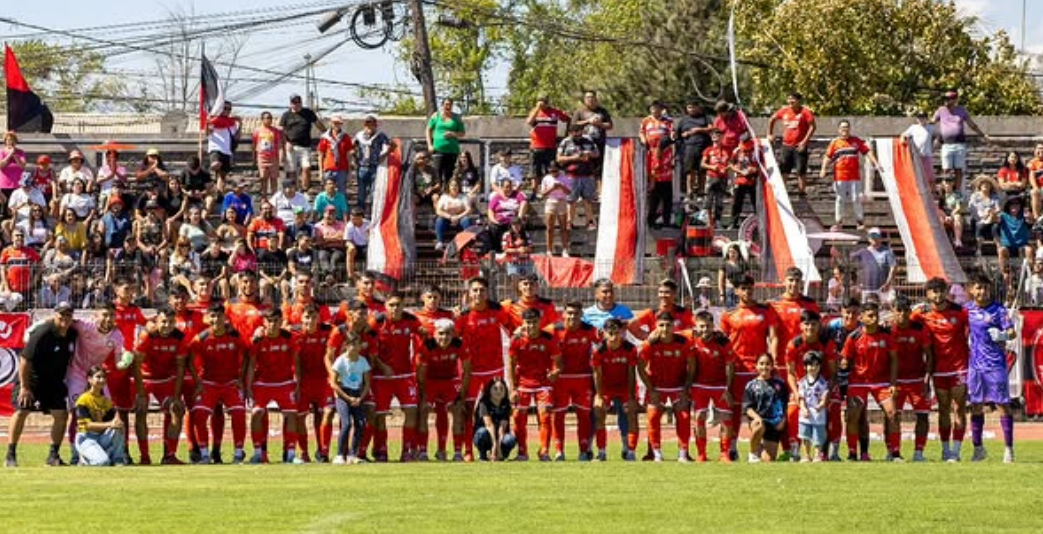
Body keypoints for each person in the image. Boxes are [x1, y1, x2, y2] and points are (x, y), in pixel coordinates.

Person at [5, 302, 78, 467]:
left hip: (54, 382)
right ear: (55, 315)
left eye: (68, 315)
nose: (65, 318)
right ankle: (10, 454)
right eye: (61, 314)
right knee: (21, 411)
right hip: (32, 380)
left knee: (61, 415)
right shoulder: (43, 333)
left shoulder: (72, 333)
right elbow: (24, 360)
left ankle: (53, 455)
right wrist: (24, 387)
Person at [721, 273, 779, 460]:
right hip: (738, 369)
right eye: (743, 288)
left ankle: (755, 450)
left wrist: (773, 361)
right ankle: (732, 447)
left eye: (750, 287)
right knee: (736, 410)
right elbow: (723, 343)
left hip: (759, 369)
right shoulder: (728, 314)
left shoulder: (765, 311)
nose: (747, 291)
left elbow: (773, 336)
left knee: (759, 410)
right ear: (737, 291)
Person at [911, 277, 970, 462]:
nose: (938, 295)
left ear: (947, 292)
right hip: (938, 369)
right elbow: (904, 322)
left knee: (959, 408)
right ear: (928, 294)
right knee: (943, 409)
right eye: (934, 291)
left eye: (941, 290)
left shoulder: (960, 312)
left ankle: (957, 450)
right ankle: (945, 450)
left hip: (959, 367)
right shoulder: (921, 313)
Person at [454, 276, 511, 461]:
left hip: (494, 370)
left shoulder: (497, 310)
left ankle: (499, 448)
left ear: (487, 293)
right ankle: (468, 451)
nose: (478, 293)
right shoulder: (462, 315)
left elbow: (511, 329)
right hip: (471, 370)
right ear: (469, 293)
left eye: (482, 290)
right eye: (475, 290)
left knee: (498, 410)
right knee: (468, 411)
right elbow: (452, 340)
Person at [962, 274, 1016, 463]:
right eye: (978, 287)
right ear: (971, 290)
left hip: (995, 366)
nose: (982, 291)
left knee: (1002, 405)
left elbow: (1012, 332)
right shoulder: (966, 310)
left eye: (985, 288)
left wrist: (1002, 335)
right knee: (976, 406)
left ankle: (1008, 449)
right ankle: (978, 449)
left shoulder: (999, 310)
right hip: (975, 366)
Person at [188, 302, 250, 464]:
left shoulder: (235, 336)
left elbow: (247, 355)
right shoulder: (201, 338)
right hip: (208, 383)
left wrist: (240, 378)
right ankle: (204, 454)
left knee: (239, 414)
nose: (216, 319)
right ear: (208, 318)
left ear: (225, 318)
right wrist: (198, 382)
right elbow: (189, 359)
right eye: (213, 316)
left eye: (219, 316)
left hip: (231, 384)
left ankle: (238, 454)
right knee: (199, 415)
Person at [841, 302, 898, 461]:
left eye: (876, 315)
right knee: (853, 416)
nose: (875, 319)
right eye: (870, 316)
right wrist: (844, 363)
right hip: (858, 382)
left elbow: (894, 360)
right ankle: (853, 453)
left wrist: (893, 383)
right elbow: (845, 358)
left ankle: (894, 453)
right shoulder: (853, 337)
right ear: (862, 317)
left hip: (881, 382)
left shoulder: (887, 335)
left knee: (892, 413)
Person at [371, 292, 424, 461]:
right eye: (391, 305)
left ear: (403, 306)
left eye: (398, 305)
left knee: (411, 410)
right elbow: (369, 351)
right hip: (381, 376)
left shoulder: (410, 320)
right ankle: (381, 450)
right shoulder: (376, 322)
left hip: (405, 374)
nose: (395, 308)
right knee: (380, 414)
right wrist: (382, 366)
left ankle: (407, 450)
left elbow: (423, 333)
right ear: (385, 306)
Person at [134, 306, 189, 464]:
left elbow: (180, 368)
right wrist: (142, 394)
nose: (167, 325)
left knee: (176, 410)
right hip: (145, 379)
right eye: (164, 321)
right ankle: (144, 456)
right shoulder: (147, 336)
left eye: (171, 322)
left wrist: (177, 396)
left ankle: (169, 455)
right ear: (156, 321)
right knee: (140, 410)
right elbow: (136, 364)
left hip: (166, 381)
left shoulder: (179, 337)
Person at [246, 308, 301, 464]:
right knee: (256, 414)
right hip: (262, 382)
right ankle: (257, 453)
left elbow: (296, 363)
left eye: (276, 321)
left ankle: (290, 454)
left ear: (281, 321)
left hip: (285, 382)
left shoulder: (289, 338)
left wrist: (297, 382)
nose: (273, 324)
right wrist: (249, 387)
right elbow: (251, 365)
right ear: (264, 322)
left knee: (291, 415)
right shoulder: (257, 340)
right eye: (269, 321)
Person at [507, 308, 561, 461]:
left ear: (540, 322)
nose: (531, 326)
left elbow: (559, 363)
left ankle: (543, 451)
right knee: (518, 417)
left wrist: (555, 372)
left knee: (545, 416)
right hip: (523, 383)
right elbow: (511, 364)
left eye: (534, 322)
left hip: (543, 383)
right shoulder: (516, 340)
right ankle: (522, 452)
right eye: (528, 322)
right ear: (523, 323)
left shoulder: (548, 339)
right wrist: (513, 388)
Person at [783, 310, 838, 461]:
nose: (810, 328)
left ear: (819, 325)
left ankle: (832, 451)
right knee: (792, 411)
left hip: (823, 385)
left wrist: (827, 393)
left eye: (814, 324)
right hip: (803, 387)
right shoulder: (793, 345)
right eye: (806, 324)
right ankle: (795, 449)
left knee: (835, 408)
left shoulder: (827, 343)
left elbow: (834, 373)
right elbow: (790, 373)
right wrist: (796, 393)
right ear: (801, 325)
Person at [639, 312, 693, 462]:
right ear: (656, 326)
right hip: (657, 387)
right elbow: (640, 367)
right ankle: (656, 454)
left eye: (668, 325)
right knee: (652, 417)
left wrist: (686, 388)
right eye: (661, 325)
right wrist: (651, 389)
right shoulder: (649, 344)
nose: (665, 329)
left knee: (684, 417)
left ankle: (683, 454)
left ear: (674, 326)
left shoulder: (684, 342)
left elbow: (692, 366)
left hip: (678, 387)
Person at [416, 319, 472, 462]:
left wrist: (462, 395)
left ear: (453, 334)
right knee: (424, 410)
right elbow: (421, 374)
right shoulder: (427, 346)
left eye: (448, 333)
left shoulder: (459, 344)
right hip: (430, 381)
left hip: (450, 381)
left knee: (458, 410)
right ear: (434, 334)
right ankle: (422, 451)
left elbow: (467, 370)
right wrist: (423, 396)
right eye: (440, 333)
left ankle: (457, 452)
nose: (444, 337)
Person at [549, 301, 598, 461]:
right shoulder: (554, 329)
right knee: (559, 415)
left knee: (583, 415)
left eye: (576, 314)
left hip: (583, 378)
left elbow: (605, 339)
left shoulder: (589, 330)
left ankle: (584, 450)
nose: (572, 317)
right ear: (563, 314)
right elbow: (534, 334)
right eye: (569, 313)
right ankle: (559, 451)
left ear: (581, 315)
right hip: (560, 379)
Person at [888, 295, 932, 462]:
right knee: (893, 416)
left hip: (917, 380)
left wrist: (927, 378)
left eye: (906, 310)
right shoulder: (888, 330)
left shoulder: (920, 329)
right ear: (893, 311)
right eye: (898, 310)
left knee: (922, 415)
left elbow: (929, 355)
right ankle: (894, 452)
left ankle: (919, 452)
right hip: (896, 381)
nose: (902, 314)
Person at [291, 304, 335, 463]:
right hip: (304, 382)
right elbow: (295, 361)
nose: (310, 320)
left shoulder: (328, 331)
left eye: (314, 317)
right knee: (300, 417)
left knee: (326, 414)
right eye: (307, 317)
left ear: (319, 318)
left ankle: (323, 451)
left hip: (324, 381)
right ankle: (303, 452)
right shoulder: (294, 334)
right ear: (301, 318)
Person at [688, 311, 734, 462]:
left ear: (713, 326)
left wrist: (728, 388)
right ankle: (701, 453)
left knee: (726, 417)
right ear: (696, 326)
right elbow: (671, 333)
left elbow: (730, 365)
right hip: (699, 384)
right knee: (699, 417)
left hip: (719, 385)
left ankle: (724, 453)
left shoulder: (722, 341)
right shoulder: (690, 337)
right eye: (701, 326)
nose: (704, 330)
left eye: (708, 326)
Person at [592, 318, 638, 461]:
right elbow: (597, 374)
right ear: (604, 333)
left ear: (622, 333)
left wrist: (631, 397)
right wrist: (599, 396)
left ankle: (629, 450)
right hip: (606, 388)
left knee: (631, 414)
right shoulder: (599, 351)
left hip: (624, 387)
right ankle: (601, 451)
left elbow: (631, 373)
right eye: (610, 333)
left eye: (617, 333)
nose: (613, 336)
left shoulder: (630, 348)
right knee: (599, 412)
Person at [821, 120, 881, 231]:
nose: (845, 130)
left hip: (854, 176)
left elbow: (867, 151)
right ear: (839, 130)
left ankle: (859, 221)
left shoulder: (856, 141)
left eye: (847, 127)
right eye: (842, 127)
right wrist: (823, 169)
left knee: (856, 198)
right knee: (840, 199)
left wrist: (876, 163)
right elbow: (827, 157)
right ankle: (838, 222)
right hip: (840, 176)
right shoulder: (835, 143)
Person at [933, 90, 990, 192]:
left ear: (955, 100)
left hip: (959, 144)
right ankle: (947, 191)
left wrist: (982, 134)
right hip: (946, 144)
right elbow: (932, 122)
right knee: (946, 169)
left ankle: (958, 191)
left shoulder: (961, 110)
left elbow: (971, 124)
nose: (946, 102)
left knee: (958, 169)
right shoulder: (941, 110)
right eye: (945, 99)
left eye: (949, 99)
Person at [330, 331, 371, 464]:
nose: (354, 347)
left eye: (357, 344)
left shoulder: (363, 361)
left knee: (361, 423)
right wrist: (347, 398)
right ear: (346, 345)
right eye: (351, 344)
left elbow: (367, 383)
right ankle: (340, 454)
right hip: (343, 395)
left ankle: (353, 454)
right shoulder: (340, 360)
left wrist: (360, 398)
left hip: (357, 395)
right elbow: (334, 383)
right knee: (346, 424)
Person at [72, 365, 127, 466]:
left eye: (104, 377)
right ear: (89, 380)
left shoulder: (106, 400)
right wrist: (110, 424)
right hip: (86, 438)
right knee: (102, 462)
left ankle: (118, 458)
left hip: (101, 437)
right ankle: (84, 459)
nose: (102, 380)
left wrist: (117, 421)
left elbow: (114, 420)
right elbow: (87, 425)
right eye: (98, 377)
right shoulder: (83, 399)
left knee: (119, 427)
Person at [767, 92, 817, 195]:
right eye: (789, 99)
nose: (790, 102)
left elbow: (812, 126)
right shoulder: (784, 111)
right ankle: (781, 192)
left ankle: (801, 192)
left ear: (799, 101)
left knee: (801, 170)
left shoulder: (805, 112)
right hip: (786, 145)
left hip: (799, 146)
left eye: (793, 100)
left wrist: (804, 142)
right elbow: (772, 119)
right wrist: (770, 134)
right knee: (784, 169)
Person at [743, 353, 788, 463]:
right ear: (756, 366)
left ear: (772, 366)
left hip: (774, 422)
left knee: (769, 460)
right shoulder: (751, 385)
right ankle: (752, 454)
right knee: (759, 425)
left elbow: (784, 404)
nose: (764, 367)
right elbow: (748, 408)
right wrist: (757, 418)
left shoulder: (780, 384)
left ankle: (759, 447)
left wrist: (783, 419)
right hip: (758, 420)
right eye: (761, 364)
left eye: (767, 364)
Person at [557, 123, 599, 231]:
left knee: (588, 199)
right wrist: (574, 158)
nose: (579, 135)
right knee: (571, 200)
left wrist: (589, 154)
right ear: (571, 133)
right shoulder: (565, 142)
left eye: (580, 133)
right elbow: (559, 159)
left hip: (587, 174)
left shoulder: (588, 140)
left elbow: (597, 154)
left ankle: (590, 221)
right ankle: (569, 222)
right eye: (576, 133)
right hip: (571, 175)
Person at [641, 100, 675, 228]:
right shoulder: (646, 121)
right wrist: (644, 141)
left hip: (665, 156)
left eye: (658, 108)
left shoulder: (667, 121)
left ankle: (666, 220)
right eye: (653, 108)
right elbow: (641, 133)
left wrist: (668, 142)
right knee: (653, 192)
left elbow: (672, 135)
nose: (655, 110)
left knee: (667, 194)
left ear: (662, 109)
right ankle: (651, 220)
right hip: (651, 156)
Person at [280, 94, 325, 190]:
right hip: (291, 146)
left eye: (297, 102)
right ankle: (293, 190)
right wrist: (286, 142)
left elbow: (317, 123)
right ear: (290, 103)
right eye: (293, 103)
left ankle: (305, 189)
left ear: (301, 103)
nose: (296, 105)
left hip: (305, 146)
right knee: (292, 170)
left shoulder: (308, 113)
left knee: (307, 167)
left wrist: (326, 133)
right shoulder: (286, 115)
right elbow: (281, 131)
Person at [628, 278, 694, 341]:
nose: (663, 295)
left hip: (678, 350)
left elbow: (696, 329)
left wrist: (677, 336)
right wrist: (648, 337)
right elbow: (631, 326)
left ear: (674, 294)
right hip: (657, 350)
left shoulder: (684, 312)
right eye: (661, 292)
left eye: (667, 292)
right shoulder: (651, 312)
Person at [571, 90, 613, 180]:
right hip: (583, 143)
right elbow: (574, 124)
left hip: (599, 142)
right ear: (584, 99)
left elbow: (610, 125)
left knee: (599, 168)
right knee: (584, 167)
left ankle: (599, 191)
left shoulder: (602, 111)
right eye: (588, 97)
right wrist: (588, 121)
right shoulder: (580, 111)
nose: (590, 99)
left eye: (592, 97)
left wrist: (600, 124)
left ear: (596, 99)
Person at [353, 115, 393, 212]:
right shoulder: (359, 136)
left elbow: (388, 147)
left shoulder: (381, 136)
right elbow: (352, 147)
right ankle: (360, 213)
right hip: (362, 166)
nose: (370, 127)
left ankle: (372, 213)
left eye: (372, 124)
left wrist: (385, 154)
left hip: (375, 167)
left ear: (375, 125)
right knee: (361, 193)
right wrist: (355, 159)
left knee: (374, 193)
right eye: (368, 124)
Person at [675, 100, 713, 198]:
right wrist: (683, 134)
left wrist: (698, 130)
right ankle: (690, 191)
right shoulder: (683, 120)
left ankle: (701, 191)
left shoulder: (705, 117)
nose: (691, 109)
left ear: (698, 107)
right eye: (689, 107)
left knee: (702, 170)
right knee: (690, 170)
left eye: (693, 107)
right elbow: (677, 135)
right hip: (689, 147)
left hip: (704, 146)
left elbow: (711, 128)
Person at [849, 228, 897, 305]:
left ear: (880, 238)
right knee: (866, 310)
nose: (874, 239)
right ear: (868, 238)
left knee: (885, 310)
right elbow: (847, 258)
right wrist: (837, 250)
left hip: (882, 287)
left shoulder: (887, 251)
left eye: (876, 237)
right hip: (866, 288)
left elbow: (893, 267)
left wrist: (888, 283)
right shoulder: (863, 251)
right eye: (872, 237)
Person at [796, 351, 829, 462]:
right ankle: (806, 455)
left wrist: (821, 405)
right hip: (805, 414)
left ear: (820, 366)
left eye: (816, 365)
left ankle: (817, 455)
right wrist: (803, 408)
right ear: (805, 366)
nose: (813, 368)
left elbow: (824, 396)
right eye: (810, 365)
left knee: (818, 436)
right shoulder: (802, 382)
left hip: (818, 414)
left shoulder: (823, 382)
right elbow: (801, 398)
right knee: (805, 435)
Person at [473, 377, 515, 461]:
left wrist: (498, 447)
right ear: (489, 390)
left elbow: (502, 428)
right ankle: (483, 455)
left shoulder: (506, 404)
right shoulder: (484, 403)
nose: (498, 391)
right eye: (495, 389)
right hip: (487, 435)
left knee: (510, 439)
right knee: (482, 433)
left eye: (501, 388)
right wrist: (494, 445)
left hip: (499, 436)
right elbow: (489, 425)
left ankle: (502, 455)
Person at [426, 98, 466, 185]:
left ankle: (447, 193)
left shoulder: (456, 117)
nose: (448, 106)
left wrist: (453, 134)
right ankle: (437, 195)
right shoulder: (436, 116)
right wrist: (429, 144)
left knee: (449, 175)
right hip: (438, 149)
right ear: (442, 105)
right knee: (437, 174)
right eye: (446, 104)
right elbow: (428, 129)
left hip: (452, 150)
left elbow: (462, 133)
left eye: (450, 105)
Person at [1, 228, 41, 309]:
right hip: (11, 288)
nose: (20, 237)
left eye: (22, 236)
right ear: (12, 238)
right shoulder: (6, 251)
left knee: (24, 313)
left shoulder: (30, 251)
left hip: (26, 289)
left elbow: (40, 264)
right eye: (17, 235)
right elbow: (2, 270)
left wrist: (34, 280)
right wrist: (6, 287)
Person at [207, 101, 241, 191]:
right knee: (216, 164)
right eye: (225, 108)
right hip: (216, 148)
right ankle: (207, 171)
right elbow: (208, 132)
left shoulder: (230, 123)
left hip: (227, 150)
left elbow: (237, 137)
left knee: (222, 177)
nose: (227, 111)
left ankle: (219, 194)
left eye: (229, 109)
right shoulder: (214, 120)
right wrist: (208, 124)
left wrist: (240, 124)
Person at [539, 161, 571, 257]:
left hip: (561, 201)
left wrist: (561, 186)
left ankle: (565, 249)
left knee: (563, 227)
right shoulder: (546, 179)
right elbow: (543, 194)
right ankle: (549, 249)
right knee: (549, 227)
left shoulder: (564, 177)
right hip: (551, 201)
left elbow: (569, 192)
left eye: (555, 171)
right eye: (552, 171)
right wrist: (552, 188)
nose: (554, 173)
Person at [487, 178, 528, 252]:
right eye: (506, 187)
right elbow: (490, 210)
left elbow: (524, 203)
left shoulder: (517, 194)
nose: (509, 189)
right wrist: (494, 220)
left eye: (510, 186)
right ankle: (498, 251)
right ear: (502, 188)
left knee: (518, 226)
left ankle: (516, 248)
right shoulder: (496, 197)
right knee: (493, 227)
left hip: (513, 221)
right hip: (500, 222)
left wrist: (519, 217)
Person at [316, 114, 354, 195]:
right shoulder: (325, 137)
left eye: (339, 123)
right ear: (331, 124)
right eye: (335, 123)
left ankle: (341, 207)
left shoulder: (346, 137)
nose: (336, 125)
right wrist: (320, 171)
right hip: (328, 168)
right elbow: (321, 155)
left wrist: (350, 171)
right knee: (327, 191)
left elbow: (349, 155)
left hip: (342, 168)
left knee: (342, 191)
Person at [701, 129, 731, 228]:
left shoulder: (727, 150)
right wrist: (712, 167)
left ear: (722, 137)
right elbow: (703, 164)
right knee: (708, 200)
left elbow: (731, 163)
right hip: (711, 176)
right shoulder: (708, 150)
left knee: (719, 201)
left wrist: (726, 169)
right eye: (713, 135)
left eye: (718, 135)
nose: (716, 137)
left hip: (723, 178)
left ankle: (717, 221)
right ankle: (706, 221)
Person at [728, 136, 758, 230]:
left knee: (755, 202)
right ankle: (733, 223)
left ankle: (758, 221)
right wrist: (739, 171)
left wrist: (753, 170)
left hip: (752, 180)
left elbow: (761, 165)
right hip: (740, 180)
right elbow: (731, 164)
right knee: (736, 203)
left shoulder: (755, 150)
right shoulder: (737, 150)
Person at [434, 179, 473, 251]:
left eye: (456, 185)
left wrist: (458, 217)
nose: (454, 187)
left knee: (466, 220)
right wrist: (450, 217)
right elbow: (438, 211)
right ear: (448, 187)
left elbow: (469, 210)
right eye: (452, 185)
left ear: (459, 187)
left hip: (460, 220)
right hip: (447, 220)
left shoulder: (463, 197)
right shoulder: (444, 197)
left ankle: (467, 243)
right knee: (439, 220)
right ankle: (440, 242)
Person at [997, 196, 1033, 275]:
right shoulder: (1003, 215)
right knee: (1001, 250)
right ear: (1008, 206)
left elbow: (1030, 222)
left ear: (1020, 206)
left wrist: (1029, 217)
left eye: (1017, 204)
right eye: (1012, 204)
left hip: (1022, 244)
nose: (1014, 206)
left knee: (1029, 250)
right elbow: (996, 220)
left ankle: (1029, 274)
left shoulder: (1024, 215)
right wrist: (994, 214)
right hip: (1007, 245)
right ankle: (1004, 274)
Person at [900, 110, 936, 188]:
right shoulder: (913, 127)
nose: (921, 120)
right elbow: (903, 134)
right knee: (916, 175)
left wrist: (937, 143)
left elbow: (939, 135)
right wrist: (903, 140)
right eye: (919, 118)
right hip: (916, 155)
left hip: (927, 155)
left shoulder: (931, 127)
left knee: (929, 176)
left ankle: (931, 194)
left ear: (926, 118)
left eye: (923, 118)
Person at [252, 110, 284, 198]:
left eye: (270, 118)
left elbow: (280, 145)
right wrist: (254, 158)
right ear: (262, 119)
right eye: (266, 118)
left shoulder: (275, 131)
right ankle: (264, 197)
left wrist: (281, 158)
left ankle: (274, 198)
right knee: (263, 178)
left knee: (274, 179)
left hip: (273, 158)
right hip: (262, 157)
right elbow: (254, 145)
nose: (268, 120)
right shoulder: (257, 131)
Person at [968, 175, 1002, 256]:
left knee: (996, 226)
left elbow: (998, 208)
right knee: (980, 226)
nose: (986, 186)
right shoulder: (975, 196)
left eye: (988, 184)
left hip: (991, 217)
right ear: (980, 186)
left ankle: (999, 248)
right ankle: (979, 248)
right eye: (984, 184)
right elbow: (973, 209)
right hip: (979, 218)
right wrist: (984, 215)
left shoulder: (994, 196)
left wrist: (991, 212)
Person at [938, 173, 967, 248]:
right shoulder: (939, 194)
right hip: (942, 214)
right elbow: (937, 208)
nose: (946, 185)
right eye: (945, 182)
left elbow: (958, 207)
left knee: (958, 217)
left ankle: (958, 240)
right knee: (939, 219)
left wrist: (951, 215)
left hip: (953, 214)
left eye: (948, 182)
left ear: (952, 183)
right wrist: (945, 216)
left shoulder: (957, 194)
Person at [344, 208, 370, 281]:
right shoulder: (349, 225)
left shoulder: (368, 224)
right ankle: (350, 276)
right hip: (355, 246)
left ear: (361, 218)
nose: (352, 221)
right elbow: (347, 241)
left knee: (370, 252)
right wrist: (351, 246)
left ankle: (368, 275)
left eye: (355, 219)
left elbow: (372, 239)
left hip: (366, 245)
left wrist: (369, 234)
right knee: (350, 250)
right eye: (352, 218)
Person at [0, 131, 27, 199]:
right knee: (4, 207)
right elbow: (1, 165)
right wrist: (9, 155)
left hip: (17, 185)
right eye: (9, 140)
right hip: (4, 185)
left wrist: (15, 155)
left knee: (15, 207)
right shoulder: (1, 152)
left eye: (13, 140)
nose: (11, 142)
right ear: (5, 141)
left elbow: (23, 166)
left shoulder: (21, 152)